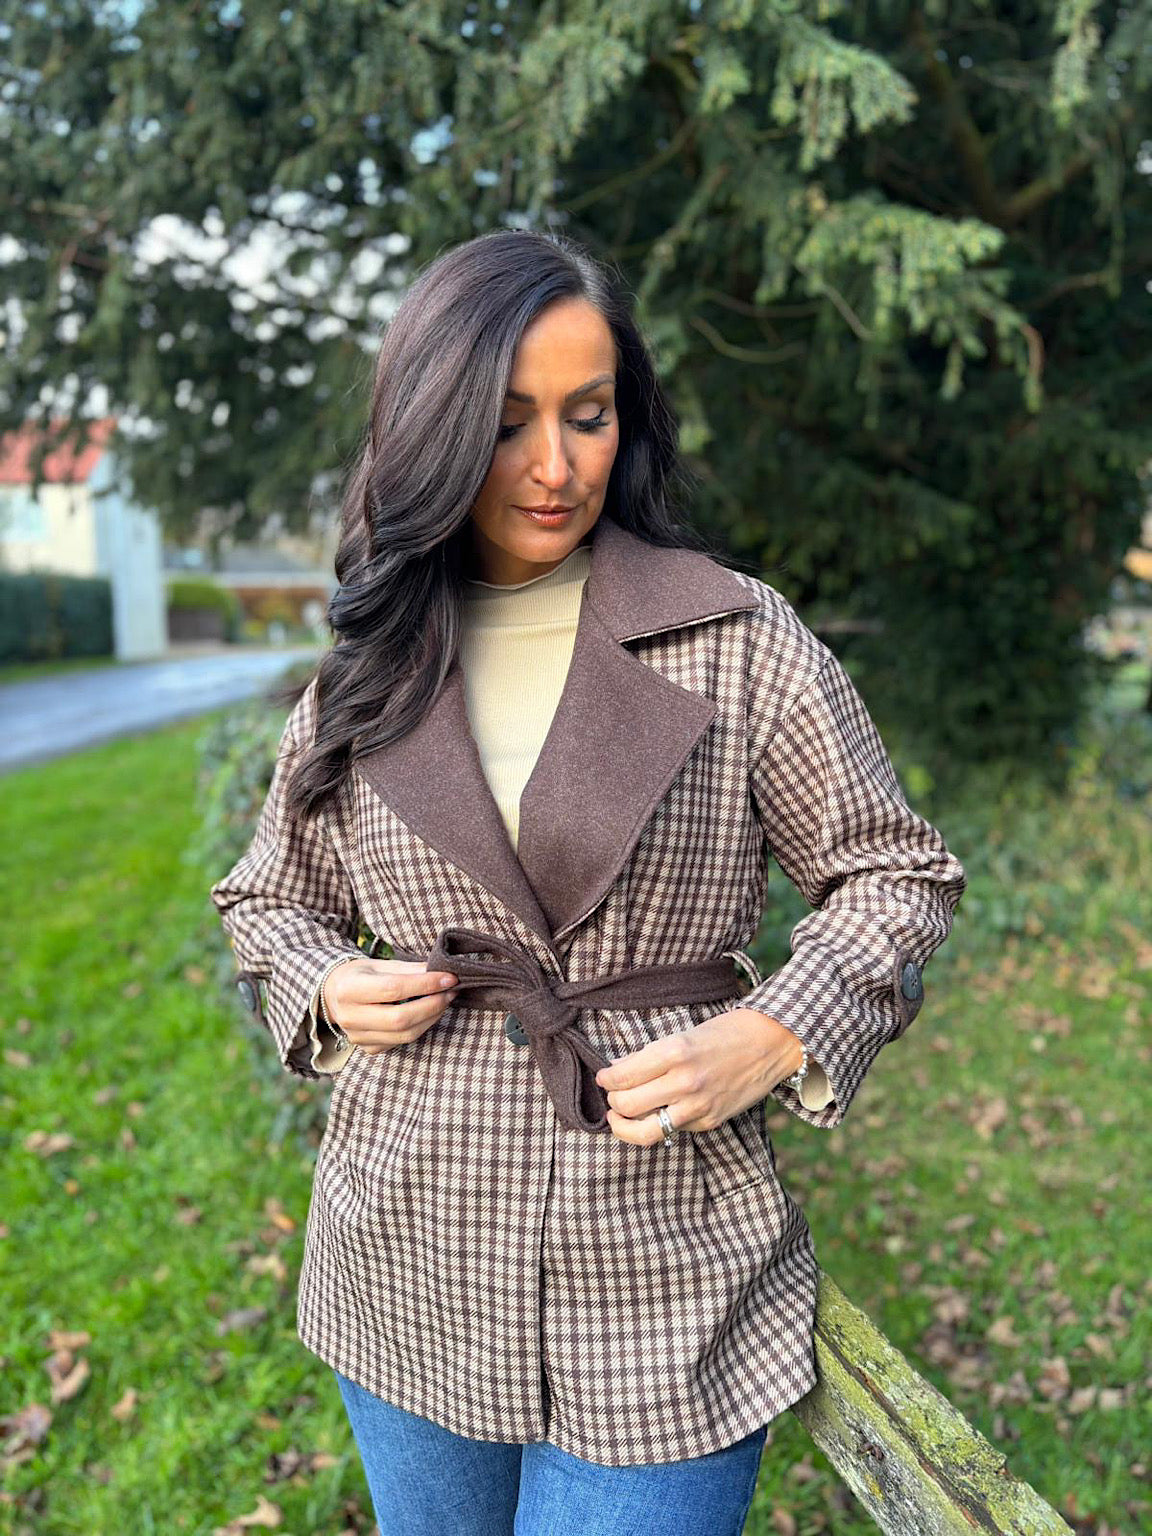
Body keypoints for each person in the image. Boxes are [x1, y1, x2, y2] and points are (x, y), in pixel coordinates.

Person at [209, 229, 967, 1536]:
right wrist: (325, 979)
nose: (557, 466)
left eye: (589, 414)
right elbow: (268, 895)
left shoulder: (735, 638)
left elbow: (895, 871)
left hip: (664, 1254)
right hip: (406, 1249)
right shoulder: (373, 665)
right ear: (434, 427)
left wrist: (779, 1030)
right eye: (508, 423)